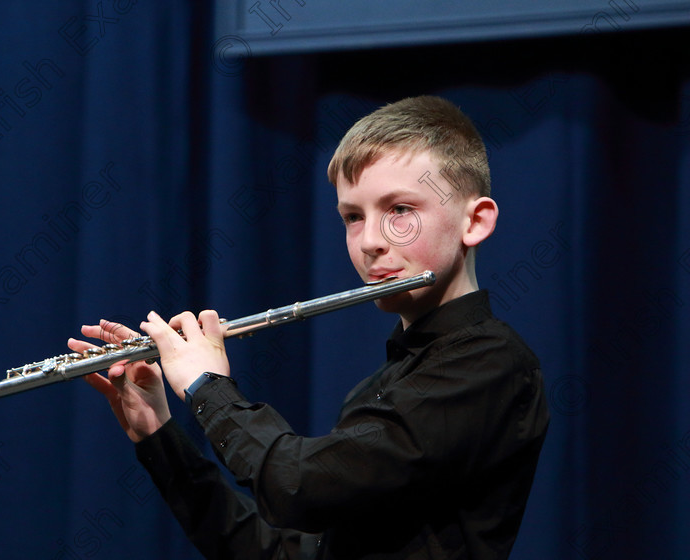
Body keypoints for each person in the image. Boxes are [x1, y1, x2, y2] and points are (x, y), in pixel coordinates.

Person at [68, 95, 549, 559]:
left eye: (400, 210)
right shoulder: (381, 387)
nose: (371, 242)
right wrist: (159, 436)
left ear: (475, 222)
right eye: (353, 217)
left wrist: (206, 386)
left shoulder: (491, 364)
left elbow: (302, 486)